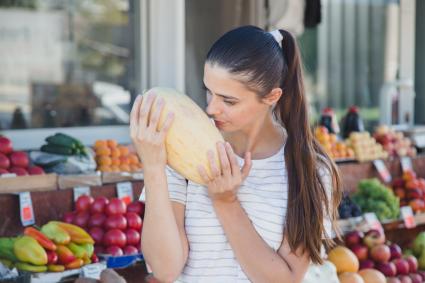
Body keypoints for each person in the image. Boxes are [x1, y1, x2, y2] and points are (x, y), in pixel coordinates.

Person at [130, 26, 342, 283]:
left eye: (228, 101)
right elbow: (165, 270)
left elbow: (284, 280)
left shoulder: (311, 170)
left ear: (272, 96)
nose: (211, 108)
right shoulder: (183, 149)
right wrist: (153, 167)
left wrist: (226, 202)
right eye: (208, 91)